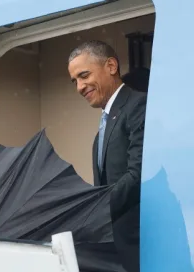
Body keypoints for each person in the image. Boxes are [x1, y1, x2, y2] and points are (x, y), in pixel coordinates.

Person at [67, 40, 147, 272]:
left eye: (84, 75)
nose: (80, 87)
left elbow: (138, 173)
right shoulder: (106, 120)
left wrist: (93, 211)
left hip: (140, 246)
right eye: (75, 81)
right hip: (114, 249)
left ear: (111, 66)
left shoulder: (138, 104)